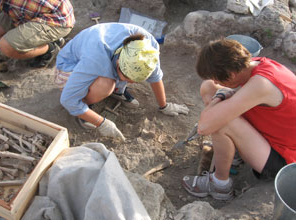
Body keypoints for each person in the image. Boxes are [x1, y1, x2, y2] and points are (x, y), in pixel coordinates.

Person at [181, 38, 296, 200]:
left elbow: (204, 128)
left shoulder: (262, 84)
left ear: (232, 74)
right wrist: (220, 95)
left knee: (223, 123)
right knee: (209, 87)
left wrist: (217, 100)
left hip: (285, 164)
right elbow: (210, 86)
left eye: (218, 78)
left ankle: (219, 185)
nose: (216, 81)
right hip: (272, 136)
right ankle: (231, 150)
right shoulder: (255, 64)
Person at [55, 22, 189, 141]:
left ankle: (118, 91)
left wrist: (164, 106)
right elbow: (67, 100)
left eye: (134, 81)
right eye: (126, 79)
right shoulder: (96, 59)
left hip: (100, 58)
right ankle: (85, 107)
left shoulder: (147, 50)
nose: (130, 82)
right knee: (106, 85)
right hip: (68, 67)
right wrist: (101, 122)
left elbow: (155, 77)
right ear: (118, 63)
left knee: (112, 82)